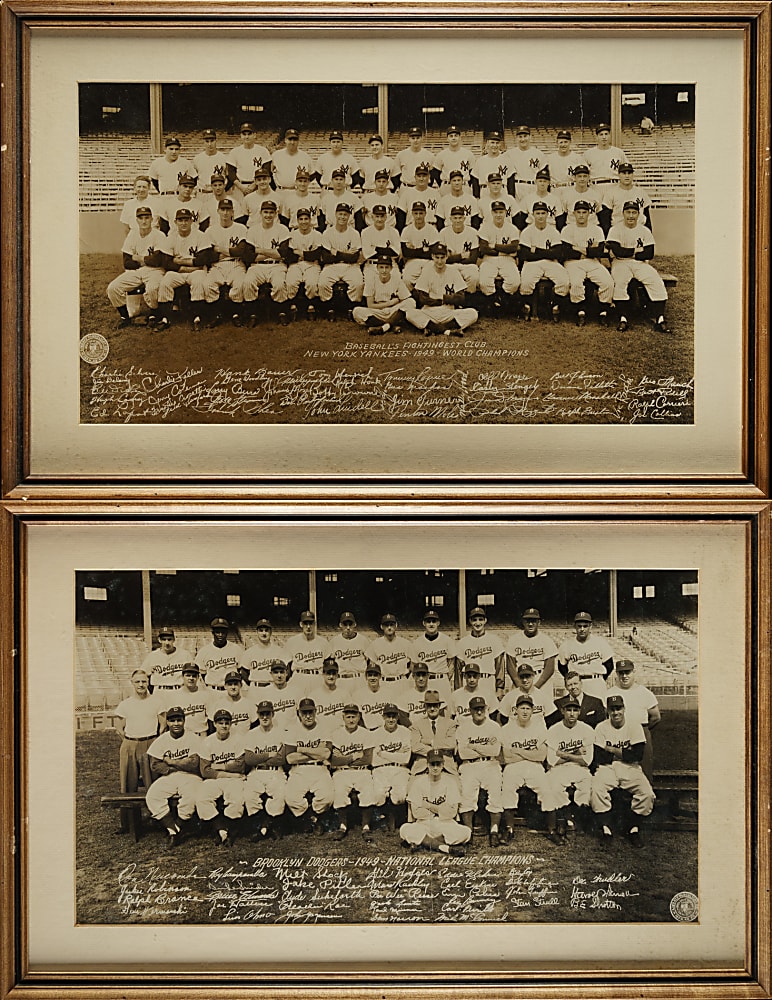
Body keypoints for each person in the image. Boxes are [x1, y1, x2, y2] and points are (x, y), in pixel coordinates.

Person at [591, 694, 655, 846]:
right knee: (596, 790)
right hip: (607, 768)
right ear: (608, 711)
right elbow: (599, 756)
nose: (616, 713)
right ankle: (606, 829)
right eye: (612, 709)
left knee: (646, 794)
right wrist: (625, 753)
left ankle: (633, 828)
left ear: (624, 708)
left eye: (618, 708)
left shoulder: (634, 725)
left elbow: (637, 755)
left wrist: (611, 749)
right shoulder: (601, 727)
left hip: (630, 767)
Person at [606, 202, 672, 333]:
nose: (631, 216)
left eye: (634, 212)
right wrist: (638, 250)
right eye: (628, 212)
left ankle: (660, 318)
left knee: (655, 280)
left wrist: (628, 252)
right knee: (620, 282)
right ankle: (623, 318)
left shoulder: (644, 230)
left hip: (640, 263)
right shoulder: (615, 229)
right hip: (620, 262)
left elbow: (649, 253)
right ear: (623, 213)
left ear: (638, 214)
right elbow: (617, 251)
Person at [112, 669, 164, 834]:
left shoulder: (157, 701)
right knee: (128, 784)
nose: (141, 685)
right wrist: (130, 743)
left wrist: (154, 741)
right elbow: (119, 728)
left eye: (144, 681)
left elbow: (162, 725)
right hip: (130, 744)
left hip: (150, 743)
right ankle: (127, 823)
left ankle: (158, 818)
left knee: (154, 784)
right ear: (132, 683)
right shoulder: (125, 704)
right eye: (137, 682)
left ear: (148, 682)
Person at [145, 706, 204, 847]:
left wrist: (171, 762)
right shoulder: (162, 740)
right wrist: (174, 767)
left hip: (191, 776)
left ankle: (177, 826)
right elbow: (155, 764)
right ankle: (174, 830)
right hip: (169, 775)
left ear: (184, 721)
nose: (176, 723)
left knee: (191, 798)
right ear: (168, 722)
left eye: (179, 720)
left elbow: (195, 764)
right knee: (152, 796)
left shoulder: (193, 738)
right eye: (172, 721)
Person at [541, 696, 595, 846]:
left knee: (587, 786)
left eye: (575, 710)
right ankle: (562, 821)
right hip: (559, 768)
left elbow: (587, 760)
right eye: (568, 710)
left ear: (579, 712)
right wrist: (576, 753)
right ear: (562, 711)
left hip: (580, 768)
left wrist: (563, 754)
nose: (572, 713)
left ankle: (575, 820)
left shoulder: (586, 729)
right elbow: (552, 760)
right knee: (552, 786)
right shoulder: (554, 729)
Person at [106, 206, 168, 328]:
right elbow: (127, 262)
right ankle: (125, 317)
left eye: (147, 217)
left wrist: (138, 258)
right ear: (136, 220)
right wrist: (146, 260)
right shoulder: (132, 234)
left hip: (155, 271)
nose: (144, 221)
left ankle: (155, 313)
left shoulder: (159, 235)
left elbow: (157, 261)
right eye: (141, 218)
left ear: (152, 219)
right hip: (135, 271)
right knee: (113, 288)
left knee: (152, 288)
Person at [400, 749, 471, 855]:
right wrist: (440, 809)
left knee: (465, 832)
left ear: (443, 765)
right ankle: (445, 848)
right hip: (424, 823)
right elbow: (417, 813)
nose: (435, 767)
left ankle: (425, 843)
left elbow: (451, 813)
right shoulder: (418, 783)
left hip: (445, 823)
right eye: (432, 764)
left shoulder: (450, 782)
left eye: (438, 764)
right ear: (427, 765)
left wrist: (426, 805)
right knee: (404, 829)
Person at [154, 207, 214, 331]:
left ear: (192, 221)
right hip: (181, 271)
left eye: (186, 220)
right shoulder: (171, 237)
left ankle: (197, 318)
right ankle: (166, 318)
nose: (183, 223)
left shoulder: (200, 236)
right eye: (180, 220)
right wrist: (187, 266)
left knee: (198, 282)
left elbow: (203, 259)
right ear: (175, 222)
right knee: (165, 283)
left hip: (196, 272)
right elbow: (166, 262)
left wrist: (178, 261)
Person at [499, 692, 549, 842]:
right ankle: (509, 829)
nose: (525, 711)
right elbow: (506, 757)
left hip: (534, 765)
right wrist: (529, 752)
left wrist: (518, 751)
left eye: (528, 708)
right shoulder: (507, 728)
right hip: (513, 766)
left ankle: (552, 829)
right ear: (515, 710)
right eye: (522, 708)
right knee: (507, 787)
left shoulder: (539, 727)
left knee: (546, 788)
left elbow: (541, 756)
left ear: (533, 710)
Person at [403, 241, 479, 337]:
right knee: (409, 313)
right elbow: (423, 298)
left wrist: (442, 299)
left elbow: (461, 298)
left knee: (473, 313)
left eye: (442, 257)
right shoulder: (427, 270)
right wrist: (445, 300)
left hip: (448, 311)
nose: (439, 261)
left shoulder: (453, 271)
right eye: (437, 257)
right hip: (429, 312)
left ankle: (432, 328)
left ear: (447, 257)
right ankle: (448, 330)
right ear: (432, 257)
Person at [455, 696, 504, 845]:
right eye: (476, 709)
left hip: (490, 764)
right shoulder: (463, 728)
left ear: (486, 709)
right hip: (469, 764)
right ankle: (468, 831)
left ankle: (494, 831)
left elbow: (495, 751)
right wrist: (484, 749)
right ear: (470, 711)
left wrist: (474, 746)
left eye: (481, 708)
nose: (479, 711)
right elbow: (463, 753)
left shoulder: (494, 726)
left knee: (495, 792)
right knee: (467, 795)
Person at [234, 200, 290, 325]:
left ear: (276, 214)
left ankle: (281, 312)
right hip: (257, 266)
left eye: (271, 212)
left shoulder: (282, 229)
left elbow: (283, 254)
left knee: (280, 284)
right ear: (260, 213)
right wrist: (272, 252)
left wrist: (260, 251)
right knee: (248, 282)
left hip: (277, 265)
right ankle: (252, 313)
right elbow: (248, 256)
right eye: (265, 212)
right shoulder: (253, 230)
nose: (268, 215)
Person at [560, 199, 614, 326]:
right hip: (573, 263)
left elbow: (600, 251)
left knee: (608, 282)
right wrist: (589, 250)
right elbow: (566, 252)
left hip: (593, 262)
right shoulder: (567, 229)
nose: (581, 215)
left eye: (584, 212)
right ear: (574, 213)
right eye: (578, 212)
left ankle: (603, 312)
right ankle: (580, 311)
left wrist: (577, 248)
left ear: (589, 214)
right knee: (576, 283)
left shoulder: (596, 229)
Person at [198, 707, 247, 847]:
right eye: (220, 722)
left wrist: (219, 766)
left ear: (231, 724)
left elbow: (241, 766)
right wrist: (230, 773)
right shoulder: (207, 741)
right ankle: (220, 828)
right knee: (202, 799)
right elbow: (205, 771)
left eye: (227, 722)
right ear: (214, 724)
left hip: (232, 779)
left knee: (236, 801)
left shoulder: (238, 739)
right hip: (217, 779)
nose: (224, 725)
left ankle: (228, 830)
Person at [283, 698, 334, 833]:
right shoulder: (292, 730)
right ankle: (310, 819)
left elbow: (326, 755)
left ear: (316, 711)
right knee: (291, 798)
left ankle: (315, 816)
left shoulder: (324, 728)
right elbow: (290, 758)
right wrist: (316, 752)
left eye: (310, 712)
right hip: (299, 770)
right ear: (299, 713)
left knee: (327, 797)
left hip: (319, 768)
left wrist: (301, 749)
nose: (308, 716)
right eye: (304, 712)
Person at [605, 659, 660, 781]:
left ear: (633, 672)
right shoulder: (609, 693)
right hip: (617, 732)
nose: (624, 676)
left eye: (627, 672)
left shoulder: (644, 692)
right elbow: (606, 715)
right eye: (621, 673)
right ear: (617, 674)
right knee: (617, 767)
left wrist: (641, 730)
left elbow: (656, 717)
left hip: (641, 731)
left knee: (644, 767)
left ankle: (646, 796)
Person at [197, 198, 248, 328]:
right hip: (217, 265)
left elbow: (241, 251)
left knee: (240, 283)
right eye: (223, 209)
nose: (225, 213)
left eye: (228, 210)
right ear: (218, 211)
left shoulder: (241, 228)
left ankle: (236, 313)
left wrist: (219, 249)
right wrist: (231, 251)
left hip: (236, 263)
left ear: (233, 212)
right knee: (208, 284)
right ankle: (216, 314)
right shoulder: (210, 230)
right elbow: (209, 255)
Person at [329, 704, 376, 841]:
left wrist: (343, 758)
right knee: (339, 791)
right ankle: (342, 826)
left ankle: (366, 827)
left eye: (353, 717)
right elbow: (333, 761)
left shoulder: (365, 733)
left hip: (362, 771)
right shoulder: (336, 734)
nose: (351, 720)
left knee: (368, 789)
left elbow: (367, 759)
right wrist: (354, 756)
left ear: (359, 717)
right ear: (343, 717)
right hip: (342, 772)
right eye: (348, 717)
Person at [518, 201, 570, 323]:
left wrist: (535, 250)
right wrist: (547, 252)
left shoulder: (553, 231)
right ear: (533, 215)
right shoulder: (527, 231)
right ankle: (528, 305)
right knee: (526, 283)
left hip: (551, 262)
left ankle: (554, 305)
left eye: (543, 213)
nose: (540, 216)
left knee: (563, 282)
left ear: (547, 214)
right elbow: (524, 254)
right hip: (532, 263)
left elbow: (557, 253)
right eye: (538, 213)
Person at [243, 700, 287, 841]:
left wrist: (259, 758)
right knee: (250, 795)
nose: (265, 717)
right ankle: (262, 826)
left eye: (267, 713)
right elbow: (249, 759)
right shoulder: (251, 734)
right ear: (257, 715)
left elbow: (281, 759)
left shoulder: (281, 732)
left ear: (273, 714)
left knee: (280, 794)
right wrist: (268, 755)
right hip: (256, 772)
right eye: (262, 714)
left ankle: (269, 827)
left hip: (275, 771)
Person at [370, 703, 412, 832]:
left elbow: (405, 759)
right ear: (383, 717)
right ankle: (384, 818)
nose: (391, 719)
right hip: (380, 769)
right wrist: (397, 753)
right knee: (377, 796)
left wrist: (382, 753)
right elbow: (373, 760)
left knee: (400, 797)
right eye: (388, 716)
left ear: (398, 717)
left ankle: (394, 818)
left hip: (400, 769)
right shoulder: (376, 733)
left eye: (393, 716)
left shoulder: (405, 732)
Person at [557, 611, 614, 700]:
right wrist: (572, 680)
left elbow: (609, 665)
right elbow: (561, 666)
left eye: (585, 626)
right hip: (576, 683)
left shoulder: (600, 642)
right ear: (574, 627)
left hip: (596, 682)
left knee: (599, 710)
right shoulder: (566, 645)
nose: (582, 629)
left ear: (590, 626)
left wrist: (600, 678)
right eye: (579, 626)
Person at [318, 203, 364, 314]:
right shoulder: (327, 232)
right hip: (331, 266)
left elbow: (354, 257)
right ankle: (329, 308)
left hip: (350, 266)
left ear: (349, 216)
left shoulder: (354, 233)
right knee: (322, 283)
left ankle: (351, 308)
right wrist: (345, 254)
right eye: (340, 214)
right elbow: (325, 257)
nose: (342, 217)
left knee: (358, 283)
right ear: (335, 214)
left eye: (345, 214)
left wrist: (336, 253)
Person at [352, 253, 412, 336]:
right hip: (378, 311)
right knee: (357, 311)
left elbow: (405, 298)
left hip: (392, 311)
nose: (384, 270)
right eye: (381, 267)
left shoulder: (397, 280)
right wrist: (389, 303)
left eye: (387, 267)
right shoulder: (371, 280)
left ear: (391, 268)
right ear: (377, 268)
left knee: (411, 302)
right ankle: (391, 325)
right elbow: (370, 305)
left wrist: (395, 304)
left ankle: (383, 327)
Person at [477, 201, 521, 315]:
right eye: (496, 212)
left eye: (501, 212)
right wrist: (504, 250)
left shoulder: (512, 228)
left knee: (514, 282)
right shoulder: (485, 227)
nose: (498, 215)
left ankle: (502, 300)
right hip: (489, 259)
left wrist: (495, 246)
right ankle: (494, 302)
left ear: (505, 213)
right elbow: (483, 249)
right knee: (484, 282)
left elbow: (514, 247)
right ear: (491, 213)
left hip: (507, 260)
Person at [455, 607, 506, 701]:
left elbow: (500, 667)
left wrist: (500, 688)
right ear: (470, 621)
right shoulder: (462, 642)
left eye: (480, 619)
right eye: (474, 620)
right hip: (469, 681)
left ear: (485, 620)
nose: (477, 623)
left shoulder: (494, 640)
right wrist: (458, 690)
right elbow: (458, 671)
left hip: (488, 679)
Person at [283, 206, 324, 317]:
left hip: (312, 264)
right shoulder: (292, 234)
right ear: (297, 221)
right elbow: (289, 255)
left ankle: (311, 305)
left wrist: (300, 253)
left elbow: (317, 254)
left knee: (311, 283)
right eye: (301, 219)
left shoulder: (317, 235)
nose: (304, 222)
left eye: (306, 219)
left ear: (310, 220)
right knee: (291, 282)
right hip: (296, 264)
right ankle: (293, 304)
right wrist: (307, 255)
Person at [506, 608, 559, 694]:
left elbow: (549, 668)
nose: (530, 624)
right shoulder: (514, 639)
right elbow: (510, 666)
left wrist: (536, 686)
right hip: (521, 679)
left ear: (539, 622)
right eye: (527, 621)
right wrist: (520, 685)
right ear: (523, 622)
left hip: (540, 679)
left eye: (533, 621)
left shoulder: (546, 640)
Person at [409, 610, 456, 706]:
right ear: (424, 623)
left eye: (434, 621)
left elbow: (451, 664)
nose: (431, 624)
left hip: (441, 679)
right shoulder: (417, 643)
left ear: (438, 623)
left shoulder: (447, 640)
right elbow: (413, 666)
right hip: (425, 681)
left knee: (446, 708)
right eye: (428, 621)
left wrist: (444, 677)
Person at [410, 690, 458, 777]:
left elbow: (451, 743)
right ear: (425, 706)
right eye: (429, 706)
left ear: (439, 706)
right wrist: (437, 751)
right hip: (423, 766)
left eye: (435, 705)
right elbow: (415, 747)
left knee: (456, 787)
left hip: (446, 765)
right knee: (412, 787)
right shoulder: (417, 725)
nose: (432, 709)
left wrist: (429, 741)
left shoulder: (450, 723)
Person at [600, 162, 653, 233]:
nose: (627, 176)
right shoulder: (611, 193)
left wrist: (649, 233)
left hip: (638, 230)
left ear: (633, 175)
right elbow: (606, 218)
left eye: (629, 173)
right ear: (618, 175)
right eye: (624, 173)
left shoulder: (641, 192)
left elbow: (647, 216)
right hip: (618, 230)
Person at [441, 205, 481, 297]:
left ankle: (469, 299)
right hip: (450, 266)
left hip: (468, 266)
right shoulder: (444, 232)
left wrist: (452, 257)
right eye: (455, 218)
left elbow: (473, 259)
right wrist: (461, 256)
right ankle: (453, 301)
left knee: (474, 277)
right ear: (450, 218)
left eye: (460, 218)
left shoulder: (472, 232)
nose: (458, 220)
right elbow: (443, 259)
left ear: (464, 218)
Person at [399, 203, 440, 291]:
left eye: (421, 213)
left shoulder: (432, 230)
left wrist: (414, 250)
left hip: (429, 261)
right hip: (412, 261)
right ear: (412, 214)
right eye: (416, 213)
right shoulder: (406, 230)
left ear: (425, 213)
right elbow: (406, 253)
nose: (418, 216)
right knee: (406, 278)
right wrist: (423, 250)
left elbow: (434, 252)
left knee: (431, 278)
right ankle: (414, 298)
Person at [226, 122, 272, 198]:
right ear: (241, 135)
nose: (246, 137)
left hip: (258, 186)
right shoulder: (234, 152)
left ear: (254, 135)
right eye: (244, 134)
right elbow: (231, 172)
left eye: (249, 134)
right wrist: (241, 187)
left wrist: (254, 185)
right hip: (239, 187)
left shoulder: (263, 151)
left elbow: (266, 170)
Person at [196, 617, 242, 692]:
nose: (220, 635)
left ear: (227, 633)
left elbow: (241, 671)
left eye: (223, 632)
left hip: (230, 690)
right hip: (212, 690)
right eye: (217, 632)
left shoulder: (236, 649)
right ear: (213, 633)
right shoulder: (203, 651)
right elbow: (202, 674)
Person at [365, 613, 414, 683]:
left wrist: (407, 676)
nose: (389, 627)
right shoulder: (375, 644)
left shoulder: (406, 643)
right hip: (383, 681)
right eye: (386, 625)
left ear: (396, 625)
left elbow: (412, 664)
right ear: (381, 626)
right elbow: (372, 666)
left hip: (401, 680)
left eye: (391, 625)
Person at [140, 625, 191, 692]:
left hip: (178, 690)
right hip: (159, 690)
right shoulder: (152, 656)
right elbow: (142, 675)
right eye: (164, 639)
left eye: (169, 639)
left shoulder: (185, 655)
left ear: (174, 639)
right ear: (159, 640)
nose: (167, 643)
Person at [324, 611, 370, 684]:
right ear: (340, 625)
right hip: (341, 679)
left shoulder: (364, 640)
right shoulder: (333, 642)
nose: (348, 628)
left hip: (359, 679)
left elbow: (370, 662)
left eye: (350, 624)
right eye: (345, 624)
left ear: (355, 624)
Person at [283, 610, 329, 681]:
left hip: (317, 677)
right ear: (301, 624)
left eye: (311, 623)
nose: (308, 626)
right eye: (305, 623)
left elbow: (328, 664)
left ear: (315, 624)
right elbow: (286, 665)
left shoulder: (323, 642)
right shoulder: (292, 642)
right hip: (299, 676)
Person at [240, 618, 286, 688]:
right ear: (257, 632)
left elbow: (286, 671)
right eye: (261, 631)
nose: (264, 633)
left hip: (273, 687)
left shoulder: (279, 651)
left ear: (271, 632)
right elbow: (244, 673)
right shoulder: (249, 652)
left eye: (266, 630)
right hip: (256, 687)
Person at [169, 663, 210, 738]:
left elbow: (210, 719)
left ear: (198, 677)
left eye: (194, 676)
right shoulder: (174, 696)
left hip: (201, 735)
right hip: (183, 736)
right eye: (188, 675)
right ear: (182, 676)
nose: (191, 678)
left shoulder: (205, 695)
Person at [583, 123, 626, 189]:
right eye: (601, 134)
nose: (604, 137)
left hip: (614, 185)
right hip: (595, 186)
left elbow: (626, 171)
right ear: (596, 137)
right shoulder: (588, 153)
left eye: (606, 134)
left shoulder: (619, 152)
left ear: (610, 135)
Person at [360, 205, 402, 272]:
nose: (379, 219)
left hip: (390, 265)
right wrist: (387, 250)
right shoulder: (365, 232)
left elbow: (396, 253)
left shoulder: (394, 231)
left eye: (382, 216)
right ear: (372, 217)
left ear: (386, 217)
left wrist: (375, 248)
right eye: (377, 216)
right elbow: (367, 254)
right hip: (372, 265)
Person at [434, 124, 476, 192]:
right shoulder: (441, 155)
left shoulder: (468, 154)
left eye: (456, 136)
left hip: (464, 186)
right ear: (447, 138)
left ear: (460, 137)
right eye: (451, 136)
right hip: (447, 186)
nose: (453, 138)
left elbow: (472, 174)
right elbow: (436, 173)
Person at [307, 657, 349, 724]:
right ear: (323, 674)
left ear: (337, 675)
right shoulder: (313, 696)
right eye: (328, 673)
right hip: (321, 731)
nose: (331, 676)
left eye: (333, 673)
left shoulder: (345, 694)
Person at [505, 125, 546, 193]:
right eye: (520, 137)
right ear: (516, 138)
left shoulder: (539, 154)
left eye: (525, 136)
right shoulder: (509, 154)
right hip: (518, 186)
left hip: (534, 186)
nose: (523, 139)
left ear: (530, 137)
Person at [471, 131, 510, 198]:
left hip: (502, 191)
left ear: (500, 144)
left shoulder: (506, 160)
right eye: (492, 142)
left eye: (497, 143)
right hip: (485, 190)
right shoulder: (480, 161)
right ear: (487, 143)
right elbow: (475, 181)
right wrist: (476, 197)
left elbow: (510, 181)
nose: (495, 145)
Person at [192, 129, 229, 196]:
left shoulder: (224, 158)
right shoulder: (197, 159)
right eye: (207, 141)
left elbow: (229, 178)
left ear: (216, 141)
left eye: (212, 141)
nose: (209, 144)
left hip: (218, 194)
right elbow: (194, 178)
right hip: (201, 193)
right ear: (203, 142)